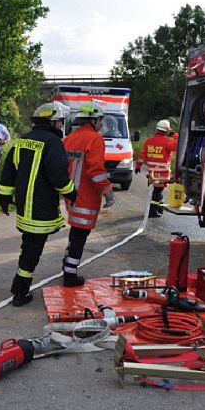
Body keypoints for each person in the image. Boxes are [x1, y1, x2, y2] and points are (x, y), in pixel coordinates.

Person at [0, 102, 76, 306]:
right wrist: (72, 192)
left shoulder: (22, 140)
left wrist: (4, 198)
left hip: (24, 207)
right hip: (41, 209)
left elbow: (8, 172)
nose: (61, 124)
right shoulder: (53, 143)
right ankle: (20, 292)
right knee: (32, 251)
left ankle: (20, 288)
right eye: (59, 121)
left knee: (29, 247)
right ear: (52, 122)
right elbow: (59, 177)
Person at [62, 102, 115, 287]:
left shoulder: (69, 138)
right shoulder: (95, 138)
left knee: (75, 230)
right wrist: (108, 190)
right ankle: (70, 274)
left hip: (71, 194)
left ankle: (67, 264)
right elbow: (96, 171)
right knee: (80, 234)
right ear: (92, 120)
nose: (101, 124)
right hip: (86, 195)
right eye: (100, 120)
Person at [135, 119, 177, 218]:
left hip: (152, 173)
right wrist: (175, 135)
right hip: (163, 173)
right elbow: (177, 146)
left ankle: (159, 208)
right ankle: (152, 211)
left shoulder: (148, 141)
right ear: (166, 131)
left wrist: (138, 166)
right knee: (157, 191)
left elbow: (142, 155)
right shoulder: (167, 142)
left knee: (159, 190)